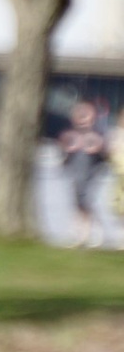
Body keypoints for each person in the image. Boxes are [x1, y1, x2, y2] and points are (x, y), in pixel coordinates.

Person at [57, 93, 112, 247]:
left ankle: (88, 233)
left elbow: (104, 154)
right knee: (77, 203)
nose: (82, 117)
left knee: (86, 201)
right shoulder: (70, 134)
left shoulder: (98, 134)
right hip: (75, 174)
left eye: (86, 114)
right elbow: (64, 153)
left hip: (91, 174)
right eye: (79, 114)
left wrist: (98, 146)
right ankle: (79, 232)